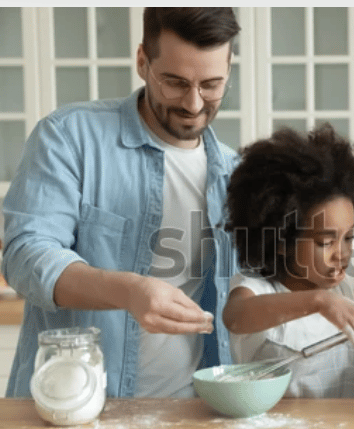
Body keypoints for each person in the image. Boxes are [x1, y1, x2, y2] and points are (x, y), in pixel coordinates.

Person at [2, 8, 241, 398]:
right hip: (76, 410)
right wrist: (129, 291)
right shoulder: (69, 138)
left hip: (192, 410)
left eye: (211, 85)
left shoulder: (235, 174)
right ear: (142, 61)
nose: (195, 104)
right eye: (175, 83)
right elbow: (25, 256)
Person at [222, 124, 354, 398]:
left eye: (349, 238)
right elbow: (235, 317)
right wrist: (318, 301)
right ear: (282, 241)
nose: (342, 253)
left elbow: (344, 379)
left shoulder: (341, 293)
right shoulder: (257, 289)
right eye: (326, 242)